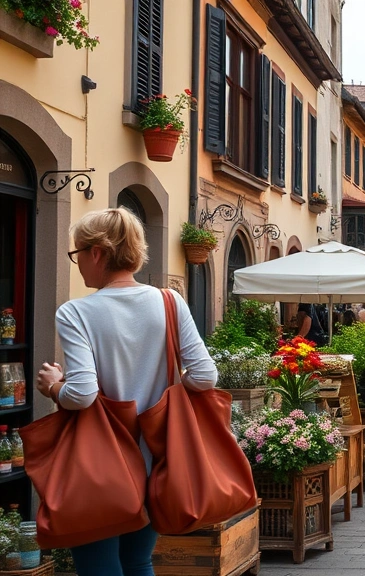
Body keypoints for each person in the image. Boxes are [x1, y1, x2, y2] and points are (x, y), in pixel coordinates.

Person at [35, 208, 218, 576]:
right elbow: (205, 377)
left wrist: (54, 386)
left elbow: (83, 394)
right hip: (158, 460)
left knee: (97, 566)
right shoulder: (170, 302)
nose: (78, 263)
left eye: (78, 254)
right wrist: (160, 383)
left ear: (98, 253)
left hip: (98, 467)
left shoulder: (75, 313)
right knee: (137, 562)